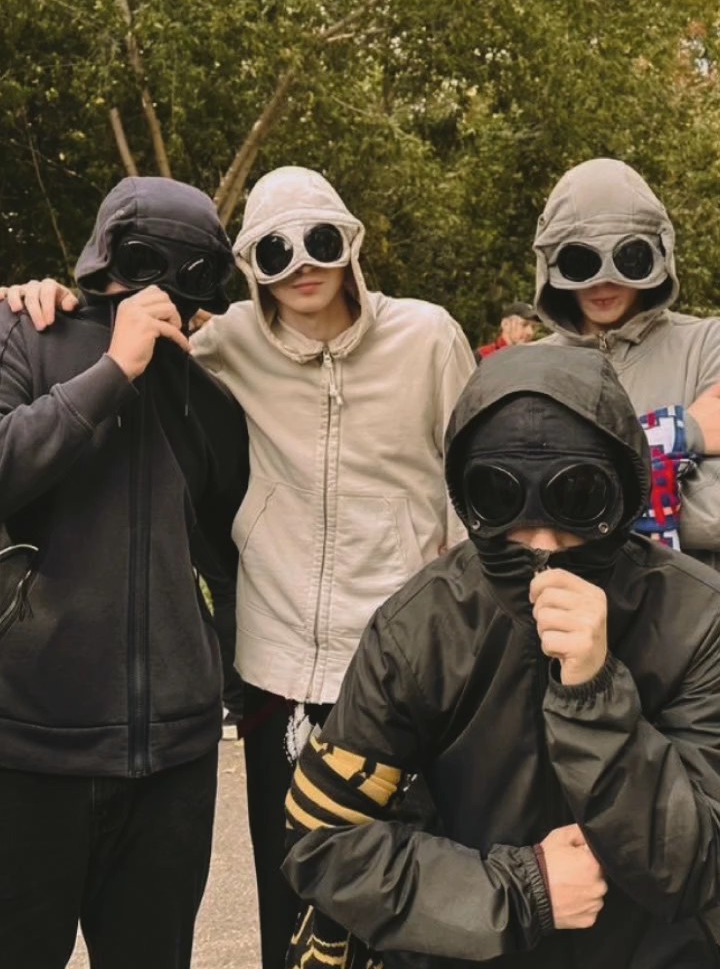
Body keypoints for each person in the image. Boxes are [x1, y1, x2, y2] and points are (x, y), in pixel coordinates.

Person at [2, 164, 476, 969]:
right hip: (156, 709)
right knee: (293, 920)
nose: (302, 264)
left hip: (373, 684)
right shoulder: (88, 338)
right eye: (275, 251)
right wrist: (76, 329)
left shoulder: (411, 339)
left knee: (419, 913)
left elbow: (469, 484)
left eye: (321, 241)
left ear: (352, 243)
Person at [283, 343, 720, 969]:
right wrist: (521, 891)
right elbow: (323, 843)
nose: (541, 541)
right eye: (500, 495)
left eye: (578, 497)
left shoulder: (696, 617)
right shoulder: (422, 627)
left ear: (624, 494)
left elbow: (697, 865)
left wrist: (594, 693)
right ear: (468, 501)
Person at [0, 176, 249, 969]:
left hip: (174, 761)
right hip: (29, 747)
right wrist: (112, 369)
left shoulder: (207, 388)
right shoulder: (26, 332)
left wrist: (223, 670)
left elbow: (227, 544)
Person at [533, 157, 720, 558]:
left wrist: (572, 498)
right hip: (563, 595)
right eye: (579, 262)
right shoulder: (527, 369)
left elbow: (715, 515)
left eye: (628, 258)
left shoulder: (709, 345)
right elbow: (513, 512)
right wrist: (676, 434)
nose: (603, 281)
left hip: (690, 596)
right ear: (550, 265)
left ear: (659, 253)